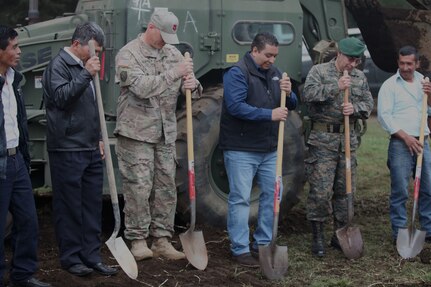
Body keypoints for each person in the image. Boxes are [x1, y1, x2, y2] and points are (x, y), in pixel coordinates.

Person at [114, 9, 201, 261]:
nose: (165, 42)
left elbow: (192, 91)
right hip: (136, 132)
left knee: (166, 187)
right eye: (161, 35)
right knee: (139, 187)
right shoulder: (128, 54)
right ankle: (138, 239)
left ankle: (162, 239)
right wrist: (175, 73)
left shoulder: (173, 53)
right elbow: (141, 88)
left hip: (166, 133)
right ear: (151, 27)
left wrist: (192, 84)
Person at [41, 22, 118, 277]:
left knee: (91, 205)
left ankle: (91, 255)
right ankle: (71, 257)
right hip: (67, 147)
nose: (97, 55)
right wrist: (86, 73)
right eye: (94, 49)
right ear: (77, 44)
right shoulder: (58, 67)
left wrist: (98, 138)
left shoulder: (88, 67)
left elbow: (90, 109)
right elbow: (62, 98)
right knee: (69, 206)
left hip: (89, 146)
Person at [219, 32, 297, 267]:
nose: (272, 60)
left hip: (269, 149)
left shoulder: (275, 74)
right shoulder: (237, 73)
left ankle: (263, 242)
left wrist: (289, 92)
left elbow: (291, 105)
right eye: (268, 55)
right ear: (254, 50)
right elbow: (235, 107)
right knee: (241, 198)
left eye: (275, 56)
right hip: (241, 148)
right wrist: (269, 115)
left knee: (274, 194)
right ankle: (240, 248)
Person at [302, 37, 373, 257]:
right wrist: (336, 86)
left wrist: (355, 108)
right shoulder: (319, 71)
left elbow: (369, 104)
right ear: (340, 54)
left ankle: (339, 234)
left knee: (345, 190)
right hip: (323, 141)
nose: (353, 65)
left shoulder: (359, 77)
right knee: (321, 192)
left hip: (347, 142)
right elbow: (308, 95)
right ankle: (318, 238)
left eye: (357, 61)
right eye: (351, 59)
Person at [0, 25, 51, 287]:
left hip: (16, 159)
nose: (19, 52)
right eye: (14, 47)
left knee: (28, 219)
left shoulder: (14, 80)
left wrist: (22, 155)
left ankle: (23, 274)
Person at [377, 45, 431, 244]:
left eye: (409, 63)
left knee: (428, 187)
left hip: (422, 142)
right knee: (400, 189)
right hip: (401, 143)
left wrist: (430, 93)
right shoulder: (390, 85)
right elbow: (384, 117)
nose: (405, 67)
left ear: (417, 63)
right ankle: (400, 232)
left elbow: (430, 108)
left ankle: (428, 229)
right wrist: (406, 137)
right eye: (402, 63)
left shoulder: (424, 83)